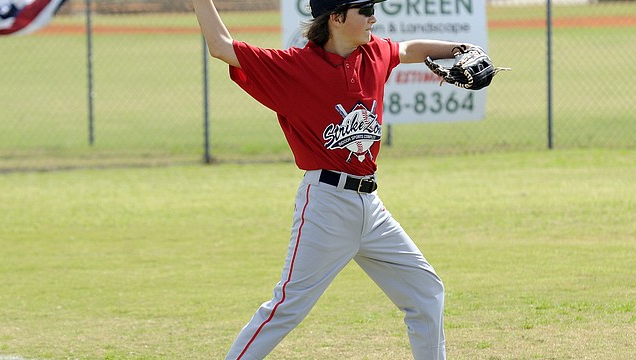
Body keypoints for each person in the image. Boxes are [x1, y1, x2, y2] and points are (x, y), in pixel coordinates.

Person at [193, 0, 476, 358]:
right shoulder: (295, 68)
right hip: (326, 204)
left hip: (371, 208)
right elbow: (221, 47)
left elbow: (408, 49)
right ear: (337, 17)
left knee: (426, 291)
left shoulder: (373, 54)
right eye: (365, 8)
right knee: (286, 308)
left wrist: (458, 49)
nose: (374, 16)